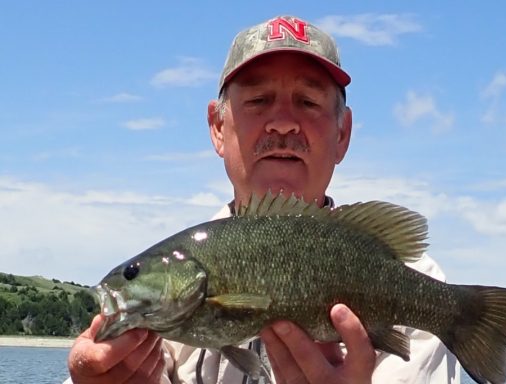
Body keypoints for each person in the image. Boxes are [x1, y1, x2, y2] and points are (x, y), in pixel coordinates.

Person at [66, 15, 460, 384]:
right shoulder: (162, 313)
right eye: (257, 101)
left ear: (343, 134)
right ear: (218, 127)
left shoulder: (416, 282)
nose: (284, 122)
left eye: (308, 102)